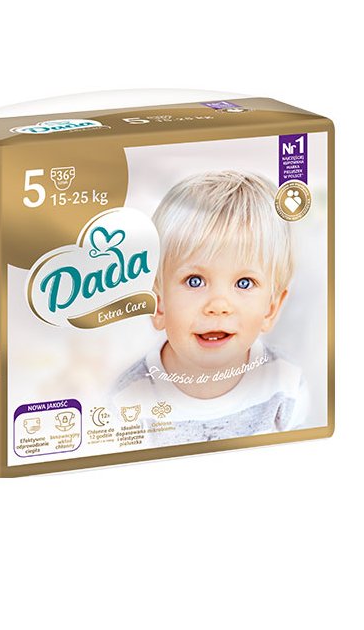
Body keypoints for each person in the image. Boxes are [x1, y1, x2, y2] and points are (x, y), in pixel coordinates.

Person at [114, 169, 309, 444]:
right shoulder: (129, 400)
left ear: (271, 308)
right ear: (158, 304)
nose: (218, 306)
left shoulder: (286, 385)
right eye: (195, 281)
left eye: (244, 283)